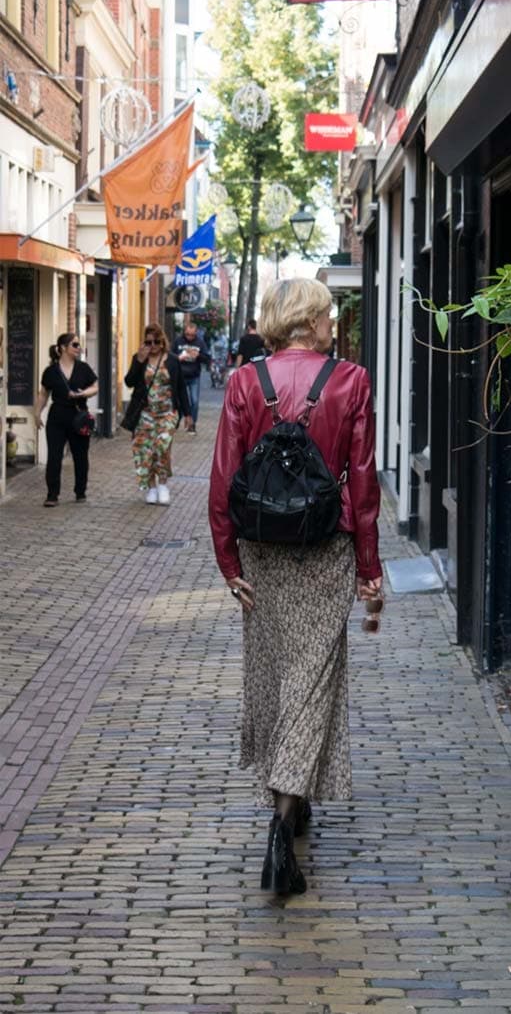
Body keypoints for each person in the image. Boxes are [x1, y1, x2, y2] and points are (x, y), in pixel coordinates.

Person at [209, 278, 383, 896]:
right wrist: (369, 569)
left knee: (273, 676)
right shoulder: (350, 380)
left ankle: (289, 802)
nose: (335, 325)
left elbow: (225, 481)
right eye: (330, 316)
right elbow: (361, 483)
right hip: (323, 550)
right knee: (312, 683)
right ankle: (284, 825)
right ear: (312, 320)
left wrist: (230, 563)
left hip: (261, 554)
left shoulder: (242, 383)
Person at [125, 322, 192, 505]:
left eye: (156, 342)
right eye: (148, 342)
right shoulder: (139, 358)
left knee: (162, 447)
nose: (152, 346)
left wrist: (188, 414)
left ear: (162, 342)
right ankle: (152, 487)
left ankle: (163, 484)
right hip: (145, 414)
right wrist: (139, 360)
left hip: (167, 413)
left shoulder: (172, 360)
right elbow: (129, 382)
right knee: (145, 452)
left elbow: (180, 387)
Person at [34, 333, 98, 507]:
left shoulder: (83, 368)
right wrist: (37, 413)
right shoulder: (51, 371)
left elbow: (95, 387)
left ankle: (80, 491)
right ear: (63, 347)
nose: (78, 348)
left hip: (79, 416)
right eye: (75, 345)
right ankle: (52, 495)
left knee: (80, 456)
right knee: (54, 456)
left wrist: (83, 393)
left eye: (78, 345)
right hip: (58, 416)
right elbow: (43, 394)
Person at [171, 321, 210, 433]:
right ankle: (177, 421)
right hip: (180, 376)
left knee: (194, 401)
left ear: (196, 333)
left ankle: (192, 424)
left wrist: (198, 356)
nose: (189, 337)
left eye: (192, 335)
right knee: (178, 401)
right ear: (184, 332)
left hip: (194, 376)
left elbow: (207, 359)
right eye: (187, 334)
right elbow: (170, 356)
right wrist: (178, 358)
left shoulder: (200, 342)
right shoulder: (178, 341)